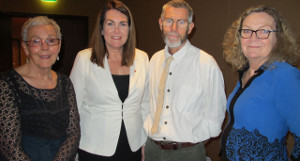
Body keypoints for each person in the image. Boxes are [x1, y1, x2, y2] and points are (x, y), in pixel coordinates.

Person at [143, 0, 227, 160]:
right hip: (152, 150)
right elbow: (147, 103)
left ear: (190, 27)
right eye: (169, 21)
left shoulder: (206, 64)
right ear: (160, 23)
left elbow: (215, 116)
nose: (173, 28)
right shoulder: (154, 60)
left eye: (181, 22)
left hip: (187, 153)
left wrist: (192, 144)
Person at [69, 0, 149, 160]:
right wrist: (73, 150)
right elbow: (72, 109)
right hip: (94, 147)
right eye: (110, 23)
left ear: (129, 28)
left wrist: (145, 142)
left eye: (123, 24)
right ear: (101, 28)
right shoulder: (84, 59)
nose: (117, 30)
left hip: (132, 146)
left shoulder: (142, 58)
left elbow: (146, 104)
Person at [220, 5, 300, 160]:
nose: (253, 38)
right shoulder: (246, 72)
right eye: (247, 31)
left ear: (278, 39)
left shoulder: (284, 75)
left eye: (264, 31)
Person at [0, 16, 80, 161]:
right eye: (36, 41)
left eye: (51, 41)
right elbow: (10, 146)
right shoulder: (7, 84)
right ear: (26, 47)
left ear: (59, 45)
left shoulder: (65, 82)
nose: (45, 47)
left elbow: (73, 133)